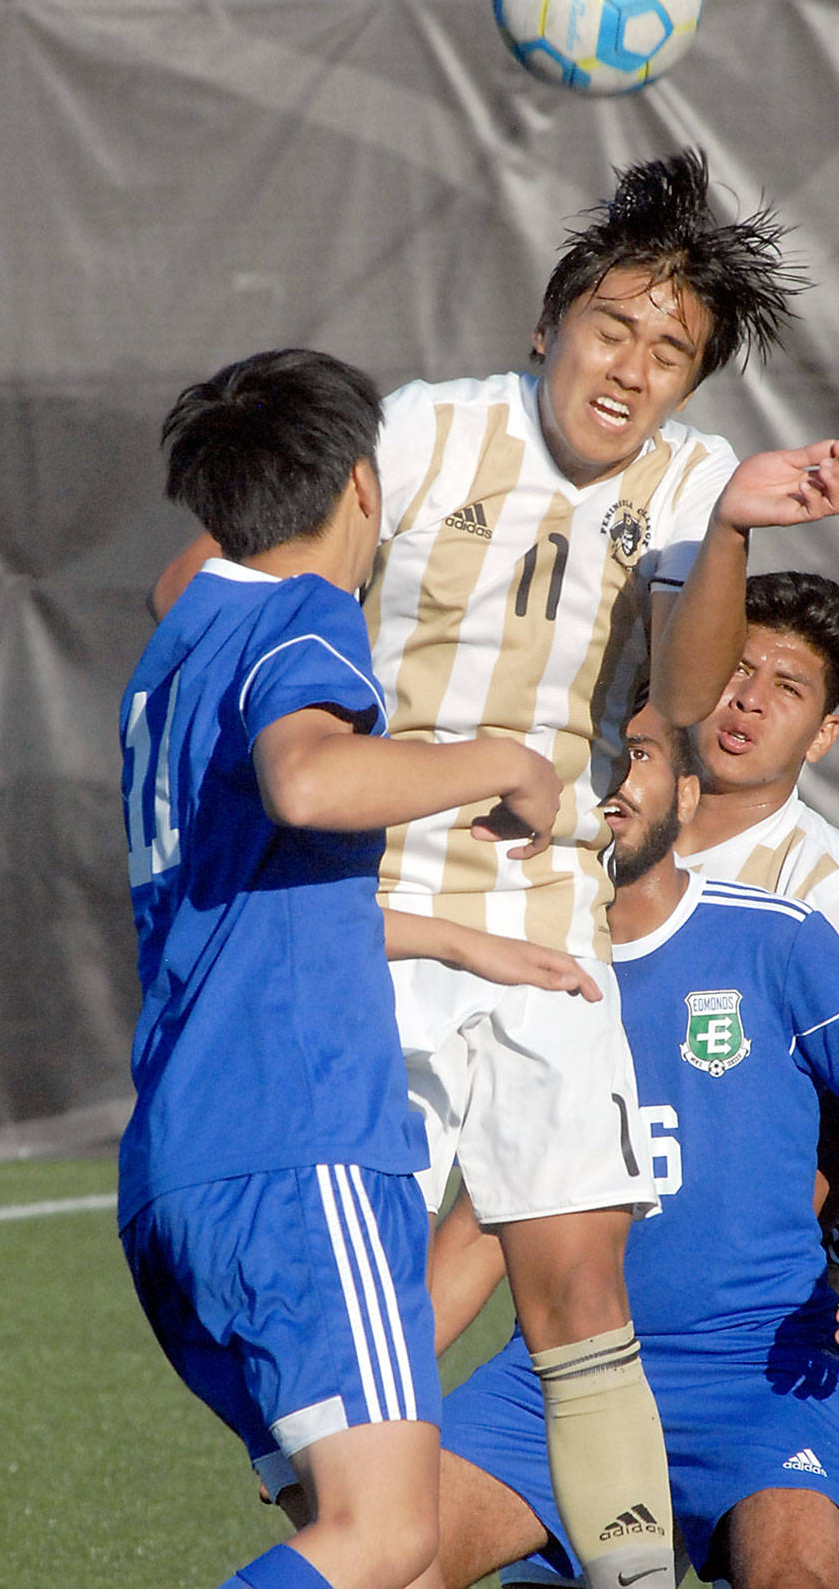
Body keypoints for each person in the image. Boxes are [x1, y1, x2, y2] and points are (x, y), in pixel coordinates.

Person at [154, 152, 839, 1589]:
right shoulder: (424, 431)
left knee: (575, 1285)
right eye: (614, 327)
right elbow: (211, 582)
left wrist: (726, 531)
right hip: (373, 914)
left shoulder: (690, 480)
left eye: (673, 352)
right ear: (548, 327)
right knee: (364, 1303)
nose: (634, 367)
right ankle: (360, 1533)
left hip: (546, 918)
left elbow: (686, 690)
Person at [118, 347, 584, 1589]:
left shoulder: (175, 653)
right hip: (297, 1149)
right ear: (364, 490)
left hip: (180, 1170)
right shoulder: (302, 614)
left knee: (370, 1551)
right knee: (389, 1536)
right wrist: (504, 758)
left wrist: (450, 938)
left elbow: (243, 903)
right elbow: (310, 780)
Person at [429, 701, 839, 1589]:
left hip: (755, 1375)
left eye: (633, 756)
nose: (610, 785)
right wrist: (352, 1411)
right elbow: (486, 1217)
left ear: (688, 790)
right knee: (383, 1551)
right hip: (559, 1373)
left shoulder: (776, 937)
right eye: (591, 762)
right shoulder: (516, 968)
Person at [674, 570, 839, 1589]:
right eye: (733, 666)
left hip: (782, 1307)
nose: (749, 698)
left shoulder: (834, 891)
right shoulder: (611, 846)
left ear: (821, 736)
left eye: (788, 685)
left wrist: (745, 1241)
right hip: (602, 1283)